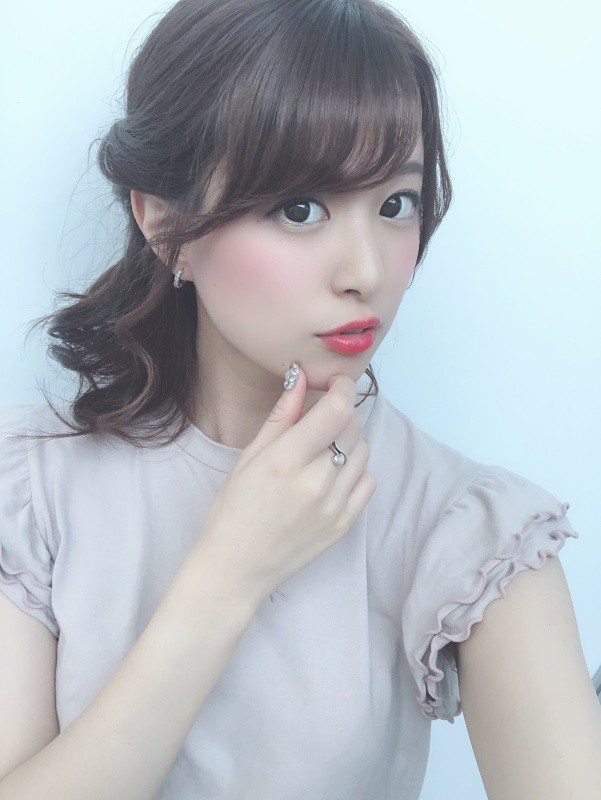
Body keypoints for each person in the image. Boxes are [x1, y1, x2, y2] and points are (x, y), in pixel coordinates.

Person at [0, 0, 600, 798]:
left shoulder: (471, 533)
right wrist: (228, 573)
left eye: (395, 204)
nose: (365, 271)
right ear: (163, 222)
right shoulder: (32, 492)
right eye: (300, 209)